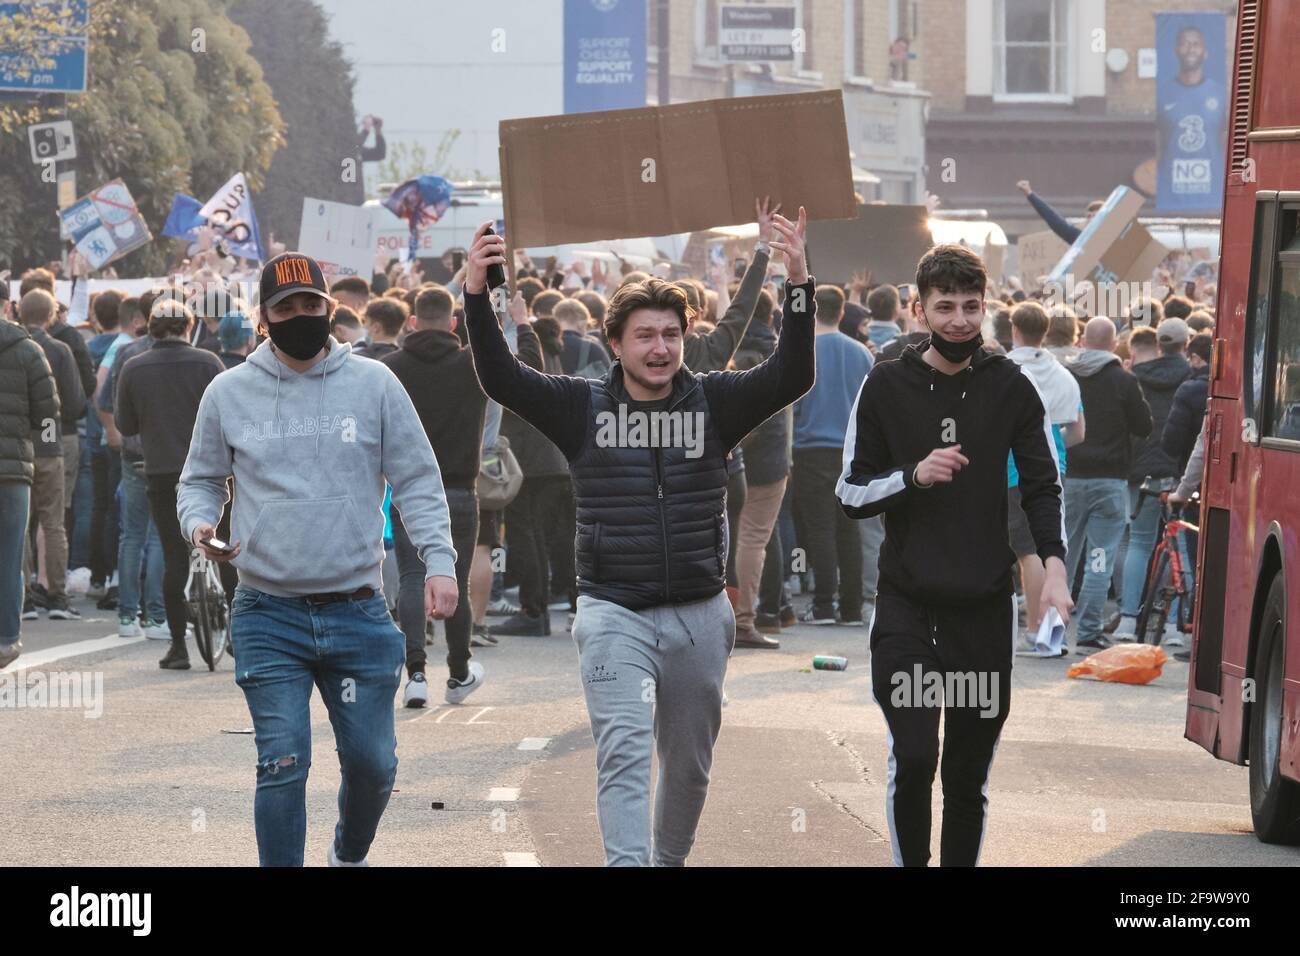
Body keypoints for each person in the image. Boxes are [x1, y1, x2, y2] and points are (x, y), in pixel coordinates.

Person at [463, 205, 815, 867]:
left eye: (672, 335)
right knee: (623, 750)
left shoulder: (716, 401)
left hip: (699, 615)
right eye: (646, 335)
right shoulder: (579, 406)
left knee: (687, 768)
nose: (661, 348)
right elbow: (502, 378)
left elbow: (792, 375)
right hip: (611, 612)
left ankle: (666, 861)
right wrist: (477, 294)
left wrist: (798, 285)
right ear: (615, 342)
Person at [177, 252, 458, 867]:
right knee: (282, 763)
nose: (300, 315)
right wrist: (201, 525)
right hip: (267, 612)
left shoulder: (376, 384)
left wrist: (439, 560)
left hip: (357, 612)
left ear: (331, 309)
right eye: (286, 307)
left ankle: (348, 854)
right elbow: (199, 480)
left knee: (373, 765)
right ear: (264, 317)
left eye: (312, 304)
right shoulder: (228, 391)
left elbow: (417, 478)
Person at [836, 243, 1072, 867]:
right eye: (946, 307)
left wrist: (1053, 565)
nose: (961, 320)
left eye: (972, 306)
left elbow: (1043, 483)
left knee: (966, 776)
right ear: (919, 310)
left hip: (983, 607)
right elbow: (851, 493)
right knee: (916, 758)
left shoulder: (1011, 386)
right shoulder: (885, 383)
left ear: (986, 308)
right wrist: (913, 475)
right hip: (908, 605)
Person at [381, 284, 542, 705]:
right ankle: (458, 673)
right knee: (455, 579)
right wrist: (522, 324)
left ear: (412, 322)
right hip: (459, 487)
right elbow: (530, 372)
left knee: (413, 578)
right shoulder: (473, 364)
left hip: (405, 490)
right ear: (452, 323)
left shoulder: (390, 366)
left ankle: (415, 673)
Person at [116, 299, 227, 669]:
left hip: (162, 471)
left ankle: (178, 647)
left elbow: (126, 426)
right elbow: (231, 414)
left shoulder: (134, 367)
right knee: (222, 548)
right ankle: (239, 639)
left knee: (172, 554)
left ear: (151, 328)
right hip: (209, 471)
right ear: (189, 326)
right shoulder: (208, 363)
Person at [1061, 318, 1152, 651]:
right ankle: (1088, 630)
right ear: (1115, 346)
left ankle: (1053, 630)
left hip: (1070, 477)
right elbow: (1144, 426)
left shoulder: (1067, 375)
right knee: (1099, 557)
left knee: (1063, 555)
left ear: (1083, 341)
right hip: (1110, 482)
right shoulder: (1124, 380)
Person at [792, 284, 874, 626]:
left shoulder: (799, 351)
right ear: (842, 313)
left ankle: (824, 604)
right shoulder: (862, 353)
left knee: (819, 528)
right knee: (849, 529)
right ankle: (852, 607)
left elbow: (790, 406)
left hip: (810, 448)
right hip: (851, 451)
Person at [1004, 301, 1083, 639]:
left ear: (1014, 330)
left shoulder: (1001, 370)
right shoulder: (1064, 375)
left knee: (1025, 550)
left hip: (1007, 465)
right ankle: (1043, 626)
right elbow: (1078, 431)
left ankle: (1036, 626)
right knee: (1040, 544)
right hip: (1053, 464)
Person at [1115, 320, 1190, 637]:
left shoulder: (1135, 378)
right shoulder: (1192, 378)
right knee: (1182, 546)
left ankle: (1128, 619)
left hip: (1141, 472)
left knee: (1139, 543)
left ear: (1159, 345)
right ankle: (1175, 622)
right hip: (1179, 473)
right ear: (1185, 345)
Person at [17, 290, 84, 622]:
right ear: (51, 314)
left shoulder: (12, 348)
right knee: (53, 522)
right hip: (51, 442)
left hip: (19, 446)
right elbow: (74, 403)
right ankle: (57, 596)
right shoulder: (60, 349)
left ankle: (24, 598)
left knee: (19, 523)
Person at [0, 306, 59, 669]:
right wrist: (48, 450)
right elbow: (49, 412)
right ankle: (6, 640)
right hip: (13, 475)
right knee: (9, 558)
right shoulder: (28, 349)